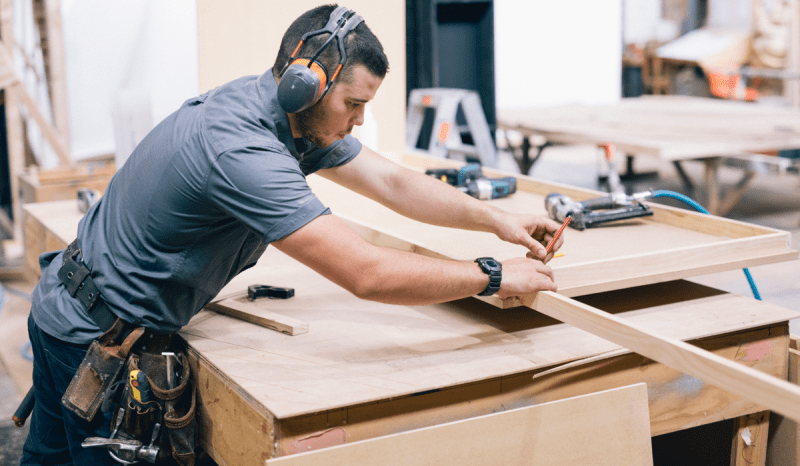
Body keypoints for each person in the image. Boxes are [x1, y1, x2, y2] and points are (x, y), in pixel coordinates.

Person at [21, 4, 563, 465]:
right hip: (92, 343)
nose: (358, 121)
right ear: (305, 83)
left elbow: (393, 182)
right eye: (353, 105)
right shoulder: (243, 150)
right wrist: (491, 276)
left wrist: (497, 221)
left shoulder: (277, 114)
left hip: (66, 309)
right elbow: (366, 273)